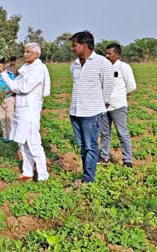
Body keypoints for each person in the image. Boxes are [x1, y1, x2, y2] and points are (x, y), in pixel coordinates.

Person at [0, 43, 51, 182]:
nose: (24, 54)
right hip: (20, 110)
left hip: (30, 112)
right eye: (24, 52)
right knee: (22, 143)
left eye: (28, 52)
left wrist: (4, 75)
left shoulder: (39, 69)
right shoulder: (26, 68)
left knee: (34, 144)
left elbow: (22, 88)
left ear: (37, 54)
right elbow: (15, 85)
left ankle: (43, 175)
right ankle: (27, 172)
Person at [69, 31, 114, 183]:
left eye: (75, 45)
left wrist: (103, 103)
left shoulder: (102, 63)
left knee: (90, 146)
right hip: (75, 111)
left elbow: (108, 85)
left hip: (91, 113)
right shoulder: (74, 65)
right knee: (82, 146)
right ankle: (86, 176)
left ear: (85, 45)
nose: (73, 48)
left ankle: (88, 180)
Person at [100, 43, 137, 167]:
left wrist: (119, 95)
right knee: (105, 133)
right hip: (104, 107)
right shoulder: (104, 67)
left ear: (117, 54)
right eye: (106, 53)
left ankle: (127, 160)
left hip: (118, 106)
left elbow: (132, 86)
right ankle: (104, 156)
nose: (106, 55)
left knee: (122, 133)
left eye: (109, 53)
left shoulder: (124, 67)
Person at [0, 63, 15, 143]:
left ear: (4, 65)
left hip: (9, 99)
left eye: (1, 65)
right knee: (2, 119)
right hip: (0, 100)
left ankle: (11, 137)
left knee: (10, 119)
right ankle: (5, 137)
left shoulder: (10, 74)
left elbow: (14, 87)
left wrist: (5, 93)